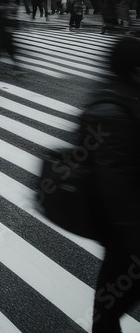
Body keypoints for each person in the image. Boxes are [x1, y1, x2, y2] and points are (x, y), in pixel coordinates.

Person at [88, 37, 140, 332]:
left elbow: (115, 186)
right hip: (128, 236)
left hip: (128, 238)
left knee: (105, 312)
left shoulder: (109, 106)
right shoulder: (120, 105)